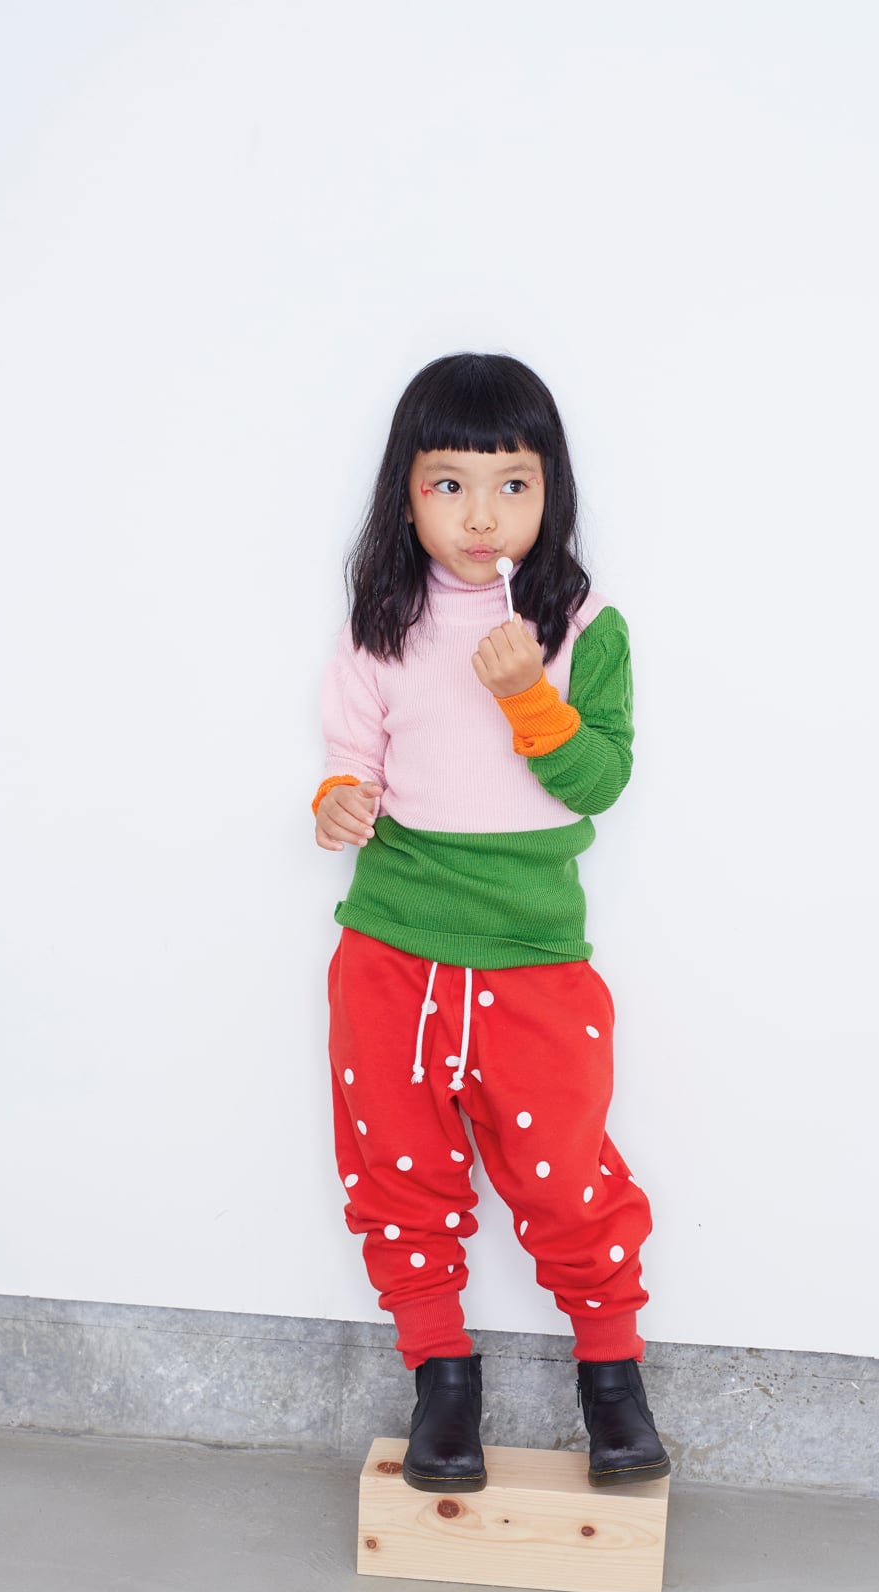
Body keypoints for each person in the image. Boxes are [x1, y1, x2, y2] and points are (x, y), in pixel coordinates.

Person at [312, 352, 670, 1494]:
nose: (481, 517)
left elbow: (598, 779)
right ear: (406, 495)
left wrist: (527, 696)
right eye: (449, 485)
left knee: (566, 1177)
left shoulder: (585, 627)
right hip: (391, 950)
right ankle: (442, 1383)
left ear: (550, 489)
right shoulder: (382, 624)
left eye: (512, 484)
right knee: (398, 1173)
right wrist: (338, 801)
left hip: (532, 960)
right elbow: (352, 758)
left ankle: (611, 1379)